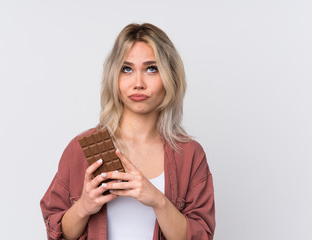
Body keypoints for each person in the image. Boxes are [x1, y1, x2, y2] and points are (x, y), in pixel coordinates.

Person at [40, 23, 215, 240]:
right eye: (127, 69)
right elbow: (57, 233)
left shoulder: (189, 155)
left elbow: (201, 236)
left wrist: (157, 199)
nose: (138, 83)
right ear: (115, 76)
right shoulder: (82, 148)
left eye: (152, 68)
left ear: (170, 77)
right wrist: (85, 205)